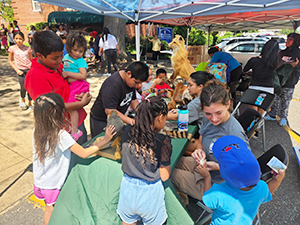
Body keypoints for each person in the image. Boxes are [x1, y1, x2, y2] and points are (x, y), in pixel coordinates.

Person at [32, 93, 116, 225]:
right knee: (52, 210)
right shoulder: (61, 135)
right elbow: (83, 153)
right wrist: (104, 140)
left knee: (48, 207)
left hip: (40, 180)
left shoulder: (38, 130)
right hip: (53, 184)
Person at [171, 79, 249, 205]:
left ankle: (181, 206)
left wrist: (217, 166)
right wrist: (199, 150)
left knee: (168, 174)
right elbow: (202, 137)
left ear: (228, 104)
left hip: (216, 184)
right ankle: (182, 198)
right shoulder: (209, 117)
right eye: (208, 114)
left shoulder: (235, 135)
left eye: (219, 113)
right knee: (171, 162)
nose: (213, 119)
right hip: (205, 166)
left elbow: (245, 171)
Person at [198, 135, 285, 224]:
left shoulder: (218, 192)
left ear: (224, 175)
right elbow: (269, 191)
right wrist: (277, 180)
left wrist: (207, 177)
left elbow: (207, 204)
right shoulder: (262, 187)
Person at [25, 30, 91, 145]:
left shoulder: (57, 66)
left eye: (61, 55)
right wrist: (80, 104)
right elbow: (50, 107)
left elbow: (74, 82)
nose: (60, 60)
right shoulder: (35, 77)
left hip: (77, 121)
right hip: (62, 130)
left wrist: (82, 94)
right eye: (55, 58)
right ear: (40, 55)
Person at [117, 96, 172, 225]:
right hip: (150, 194)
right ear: (159, 117)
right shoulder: (163, 140)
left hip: (127, 189)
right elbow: (164, 176)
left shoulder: (125, 132)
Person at [90, 61, 149, 138]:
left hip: (117, 118)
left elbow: (133, 101)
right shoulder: (113, 85)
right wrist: (131, 121)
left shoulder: (130, 82)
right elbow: (110, 110)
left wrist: (143, 113)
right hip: (101, 120)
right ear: (128, 74)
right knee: (103, 145)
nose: (137, 85)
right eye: (136, 82)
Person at [265, 33, 300, 127]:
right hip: (278, 81)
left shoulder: (298, 53)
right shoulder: (282, 52)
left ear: (296, 41)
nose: (287, 40)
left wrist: (296, 66)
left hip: (290, 81)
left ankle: (283, 117)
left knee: (285, 100)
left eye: (290, 39)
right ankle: (272, 114)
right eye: (287, 38)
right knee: (275, 98)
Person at [62, 32, 89, 141]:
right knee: (70, 107)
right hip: (71, 85)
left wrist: (68, 74)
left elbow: (83, 75)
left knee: (72, 107)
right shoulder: (66, 57)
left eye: (81, 51)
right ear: (69, 48)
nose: (77, 53)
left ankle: (75, 131)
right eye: (75, 50)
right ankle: (73, 128)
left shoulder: (81, 61)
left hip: (78, 85)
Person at [243, 39, 279, 114]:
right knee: (260, 115)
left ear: (264, 48)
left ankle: (251, 125)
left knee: (252, 113)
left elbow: (245, 70)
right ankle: (258, 125)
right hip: (268, 90)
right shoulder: (276, 62)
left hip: (254, 88)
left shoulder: (254, 60)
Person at [8, 31, 33, 110]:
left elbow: (32, 60)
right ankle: (22, 100)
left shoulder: (28, 49)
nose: (18, 40)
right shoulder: (12, 49)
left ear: (23, 39)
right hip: (20, 70)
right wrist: (17, 70)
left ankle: (30, 102)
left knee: (30, 87)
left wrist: (33, 69)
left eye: (20, 39)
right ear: (14, 39)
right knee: (23, 87)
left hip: (29, 70)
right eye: (16, 38)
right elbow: (10, 60)